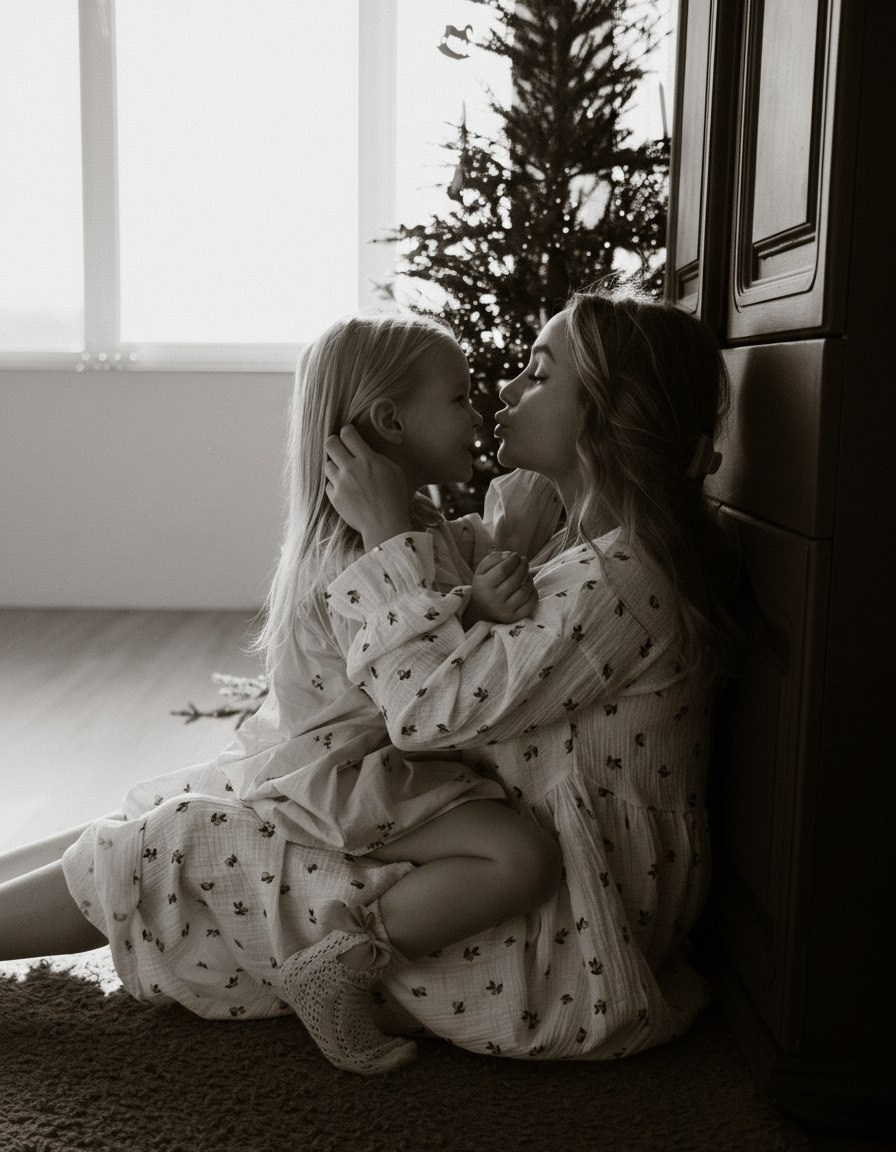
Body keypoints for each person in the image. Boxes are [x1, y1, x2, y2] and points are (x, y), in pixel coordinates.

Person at [0, 289, 735, 1073]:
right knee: (184, 807)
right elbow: (460, 653)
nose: (506, 388)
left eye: (538, 372)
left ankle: (334, 965)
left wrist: (401, 537)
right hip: (454, 828)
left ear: (606, 413)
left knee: (182, 837)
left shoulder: (617, 579)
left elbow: (429, 708)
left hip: (569, 943)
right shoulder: (585, 549)